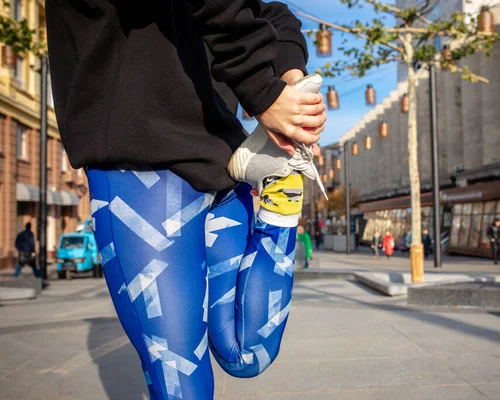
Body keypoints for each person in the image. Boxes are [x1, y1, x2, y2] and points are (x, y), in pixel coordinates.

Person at [47, 1, 327, 399]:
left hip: (225, 169)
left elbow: (273, 14)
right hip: (142, 170)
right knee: (183, 388)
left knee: (247, 355)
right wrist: (264, 92)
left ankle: (283, 180)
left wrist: (289, 89)